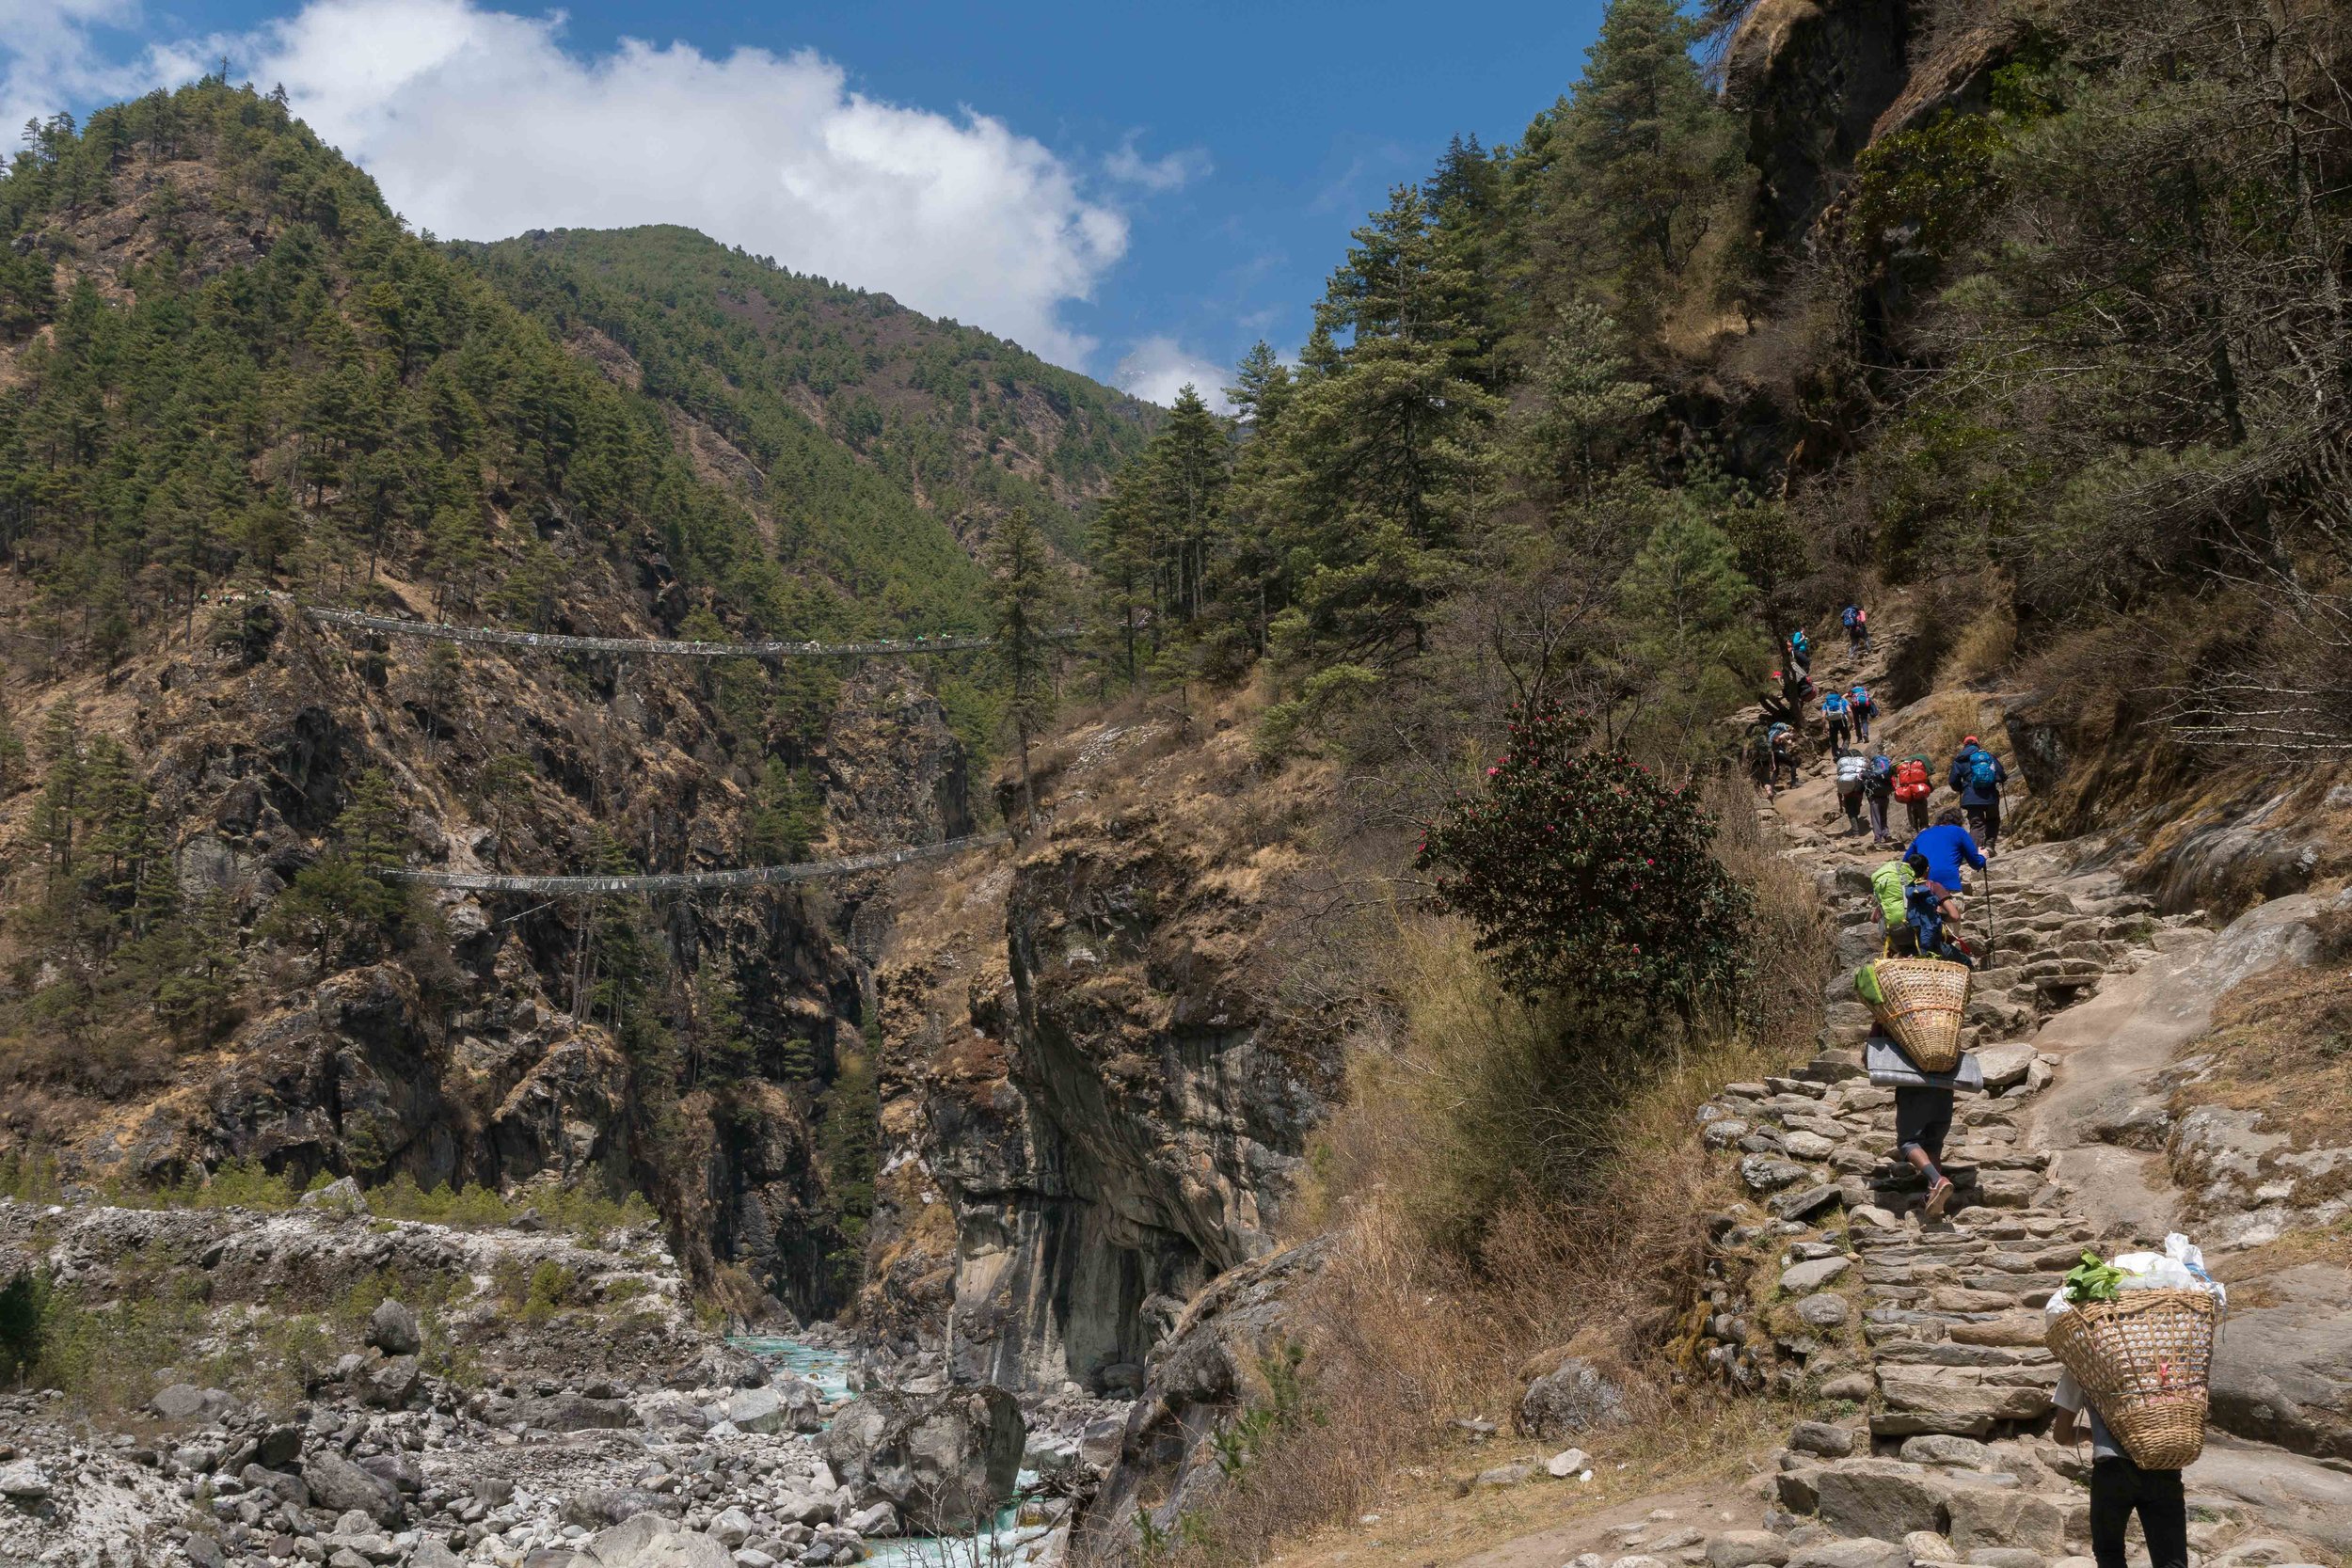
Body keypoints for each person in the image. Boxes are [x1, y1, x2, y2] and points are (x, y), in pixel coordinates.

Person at [2055, 1373, 2189, 1568]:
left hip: (2113, 1468)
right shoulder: (2162, 1358)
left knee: (2109, 1553)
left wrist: (2092, 1435)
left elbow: (2061, 1435)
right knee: (2171, 1559)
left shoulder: (2080, 1362)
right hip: (2163, 1464)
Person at [1895, 1077, 1957, 1219]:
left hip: (1914, 1089)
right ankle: (1932, 1195)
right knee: (1933, 1145)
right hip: (1944, 1089)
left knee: (1909, 1143)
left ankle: (1936, 1180)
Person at [1949, 734, 2010, 855]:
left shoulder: (1960, 759)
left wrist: (1962, 788)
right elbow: (2001, 775)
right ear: (1977, 743)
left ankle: (1975, 852)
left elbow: (1953, 781)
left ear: (1964, 745)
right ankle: (1989, 846)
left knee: (1976, 824)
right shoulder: (1987, 756)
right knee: (1993, 819)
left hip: (1971, 797)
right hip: (1990, 795)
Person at [1908, 808, 1986, 895]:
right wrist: (1983, 856)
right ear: (1959, 822)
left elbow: (1905, 863)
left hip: (1922, 888)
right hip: (1949, 886)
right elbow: (1976, 863)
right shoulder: (1959, 832)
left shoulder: (1922, 835)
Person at [1870, 853, 1919, 955]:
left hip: (1892, 935)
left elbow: (1873, 919)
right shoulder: (1916, 889)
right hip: (1915, 932)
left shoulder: (1885, 898)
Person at [1894, 753, 1933, 835]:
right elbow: (1927, 782)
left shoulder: (1904, 769)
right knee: (1923, 817)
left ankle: (1914, 830)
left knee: (1912, 815)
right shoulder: (1920, 769)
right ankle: (1924, 828)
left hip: (1908, 796)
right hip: (1920, 795)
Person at [1862, 750, 1896, 845]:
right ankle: (1886, 833)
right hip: (1885, 795)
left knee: (1876, 818)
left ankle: (1878, 838)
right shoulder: (1886, 769)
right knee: (1884, 816)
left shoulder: (1870, 768)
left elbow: (1864, 780)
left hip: (1875, 797)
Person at [1835, 748, 1867, 834]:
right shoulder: (1857, 762)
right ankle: (1857, 816)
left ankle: (1856, 832)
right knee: (1856, 807)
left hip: (1848, 792)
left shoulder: (1841, 764)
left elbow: (1839, 782)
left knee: (1850, 811)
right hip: (1859, 788)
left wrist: (1841, 806)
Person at [1767, 722, 1799, 795]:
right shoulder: (1786, 733)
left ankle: (1771, 788)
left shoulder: (1771, 733)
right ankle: (1794, 783)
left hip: (1773, 753)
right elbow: (1781, 738)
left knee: (1776, 771)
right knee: (1793, 764)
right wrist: (1788, 742)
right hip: (1778, 752)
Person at [1820, 687, 1851, 752]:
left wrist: (1824, 727)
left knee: (1833, 740)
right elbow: (1849, 711)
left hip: (1832, 722)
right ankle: (1844, 750)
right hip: (1842, 720)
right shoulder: (1842, 701)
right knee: (1846, 737)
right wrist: (1852, 722)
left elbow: (1823, 716)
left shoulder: (1826, 704)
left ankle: (1836, 754)